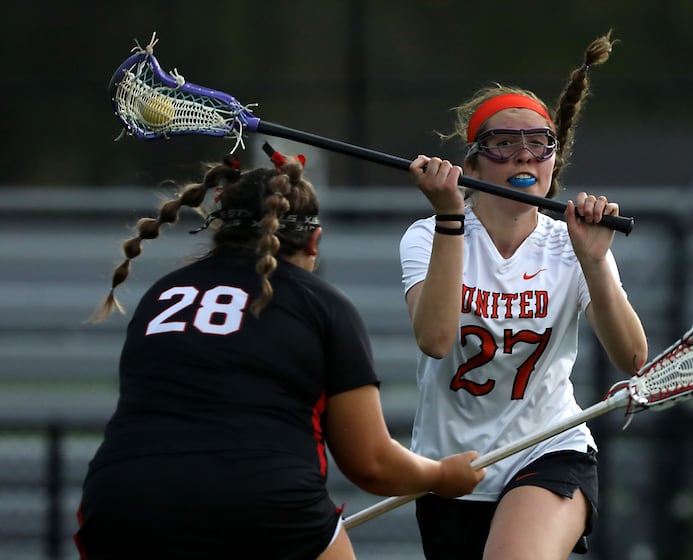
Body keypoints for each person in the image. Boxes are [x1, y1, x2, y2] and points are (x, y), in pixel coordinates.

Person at [73, 146, 485, 560]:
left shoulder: (161, 295)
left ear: (220, 228)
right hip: (263, 507)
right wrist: (440, 475)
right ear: (314, 240)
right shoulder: (322, 304)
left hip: (119, 506)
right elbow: (370, 463)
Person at [399, 31, 648, 559]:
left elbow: (632, 356)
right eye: (503, 143)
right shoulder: (430, 235)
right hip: (453, 469)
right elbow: (436, 340)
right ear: (474, 162)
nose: (523, 155)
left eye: (538, 143)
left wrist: (595, 260)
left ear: (553, 162)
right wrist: (448, 216)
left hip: (549, 453)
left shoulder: (572, 244)